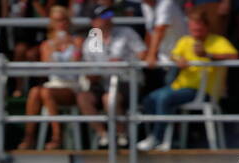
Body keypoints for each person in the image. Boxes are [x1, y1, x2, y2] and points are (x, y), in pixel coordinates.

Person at [138, 9, 237, 149]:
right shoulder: (185, 41)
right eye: (193, 28)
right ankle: (165, 136)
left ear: (206, 26)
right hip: (179, 87)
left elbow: (234, 56)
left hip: (204, 91)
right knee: (150, 99)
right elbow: (174, 55)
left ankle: (158, 139)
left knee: (163, 98)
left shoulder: (218, 41)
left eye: (199, 28)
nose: (196, 31)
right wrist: (179, 60)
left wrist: (208, 54)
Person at [18, 5, 83, 149]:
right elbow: (47, 67)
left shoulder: (78, 41)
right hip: (54, 84)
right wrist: (55, 47)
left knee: (45, 92)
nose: (61, 24)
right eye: (57, 21)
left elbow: (79, 64)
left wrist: (69, 45)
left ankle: (57, 137)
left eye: (63, 20)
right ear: (52, 23)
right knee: (35, 92)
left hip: (72, 85)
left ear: (68, 21)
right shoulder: (46, 45)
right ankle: (29, 137)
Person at [77, 7, 145, 146]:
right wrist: (94, 74)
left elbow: (143, 54)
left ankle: (121, 134)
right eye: (103, 16)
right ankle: (103, 134)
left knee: (109, 98)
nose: (108, 18)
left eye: (109, 14)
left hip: (128, 81)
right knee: (83, 98)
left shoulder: (127, 33)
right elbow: (89, 71)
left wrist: (125, 62)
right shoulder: (89, 43)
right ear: (94, 22)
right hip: (102, 82)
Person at [141, 0, 189, 65]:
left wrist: (151, 55)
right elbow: (150, 30)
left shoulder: (166, 2)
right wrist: (148, 54)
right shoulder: (145, 5)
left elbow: (160, 29)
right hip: (164, 57)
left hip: (181, 55)